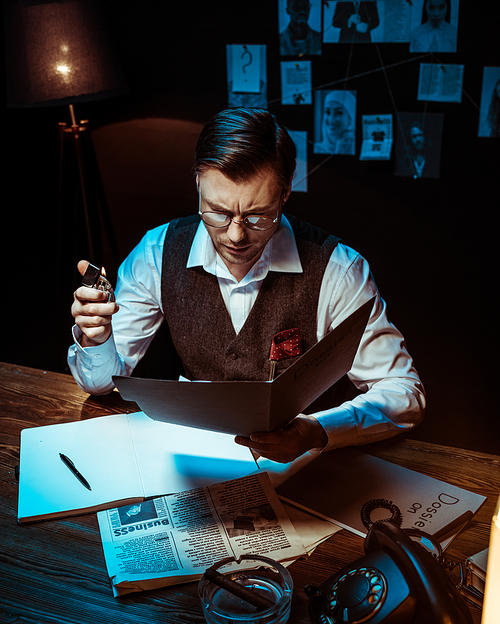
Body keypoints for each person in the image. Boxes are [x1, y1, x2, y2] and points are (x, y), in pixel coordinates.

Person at [69, 107, 425, 463]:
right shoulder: (156, 254)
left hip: (305, 467)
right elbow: (100, 384)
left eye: (258, 215)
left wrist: (317, 430)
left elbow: (404, 393)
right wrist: (96, 339)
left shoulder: (339, 269)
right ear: (197, 183)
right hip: (194, 458)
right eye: (218, 213)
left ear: (285, 193)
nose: (236, 235)